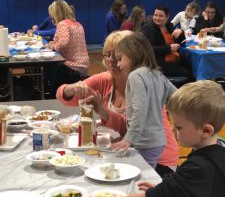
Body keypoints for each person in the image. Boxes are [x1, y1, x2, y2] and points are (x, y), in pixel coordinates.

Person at [80, 80, 225, 197]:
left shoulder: (199, 167)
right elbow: (203, 190)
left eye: (179, 127)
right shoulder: (218, 151)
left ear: (206, 130)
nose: (173, 130)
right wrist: (175, 186)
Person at [56, 31, 179, 173]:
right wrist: (71, 89)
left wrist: (102, 111)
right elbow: (64, 96)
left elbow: (132, 127)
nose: (111, 60)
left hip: (159, 159)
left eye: (117, 56)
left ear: (133, 56)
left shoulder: (139, 80)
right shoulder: (106, 79)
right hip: (135, 148)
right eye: (108, 54)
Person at [112, 32, 176, 168]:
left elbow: (138, 109)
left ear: (132, 54)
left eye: (120, 58)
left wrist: (129, 138)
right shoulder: (157, 74)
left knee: (141, 178)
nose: (118, 64)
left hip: (144, 142)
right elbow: (178, 95)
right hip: (158, 141)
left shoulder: (135, 76)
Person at [48, 0, 89, 97]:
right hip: (83, 66)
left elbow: (63, 43)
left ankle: (51, 96)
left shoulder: (63, 24)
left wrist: (53, 45)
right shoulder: (77, 24)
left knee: (51, 68)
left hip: (72, 66)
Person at [141, 5, 192, 78]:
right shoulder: (148, 29)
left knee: (193, 67)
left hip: (174, 59)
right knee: (189, 74)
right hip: (159, 63)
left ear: (167, 17)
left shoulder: (168, 25)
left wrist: (181, 32)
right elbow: (149, 49)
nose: (157, 18)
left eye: (161, 16)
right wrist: (169, 49)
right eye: (155, 15)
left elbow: (182, 42)